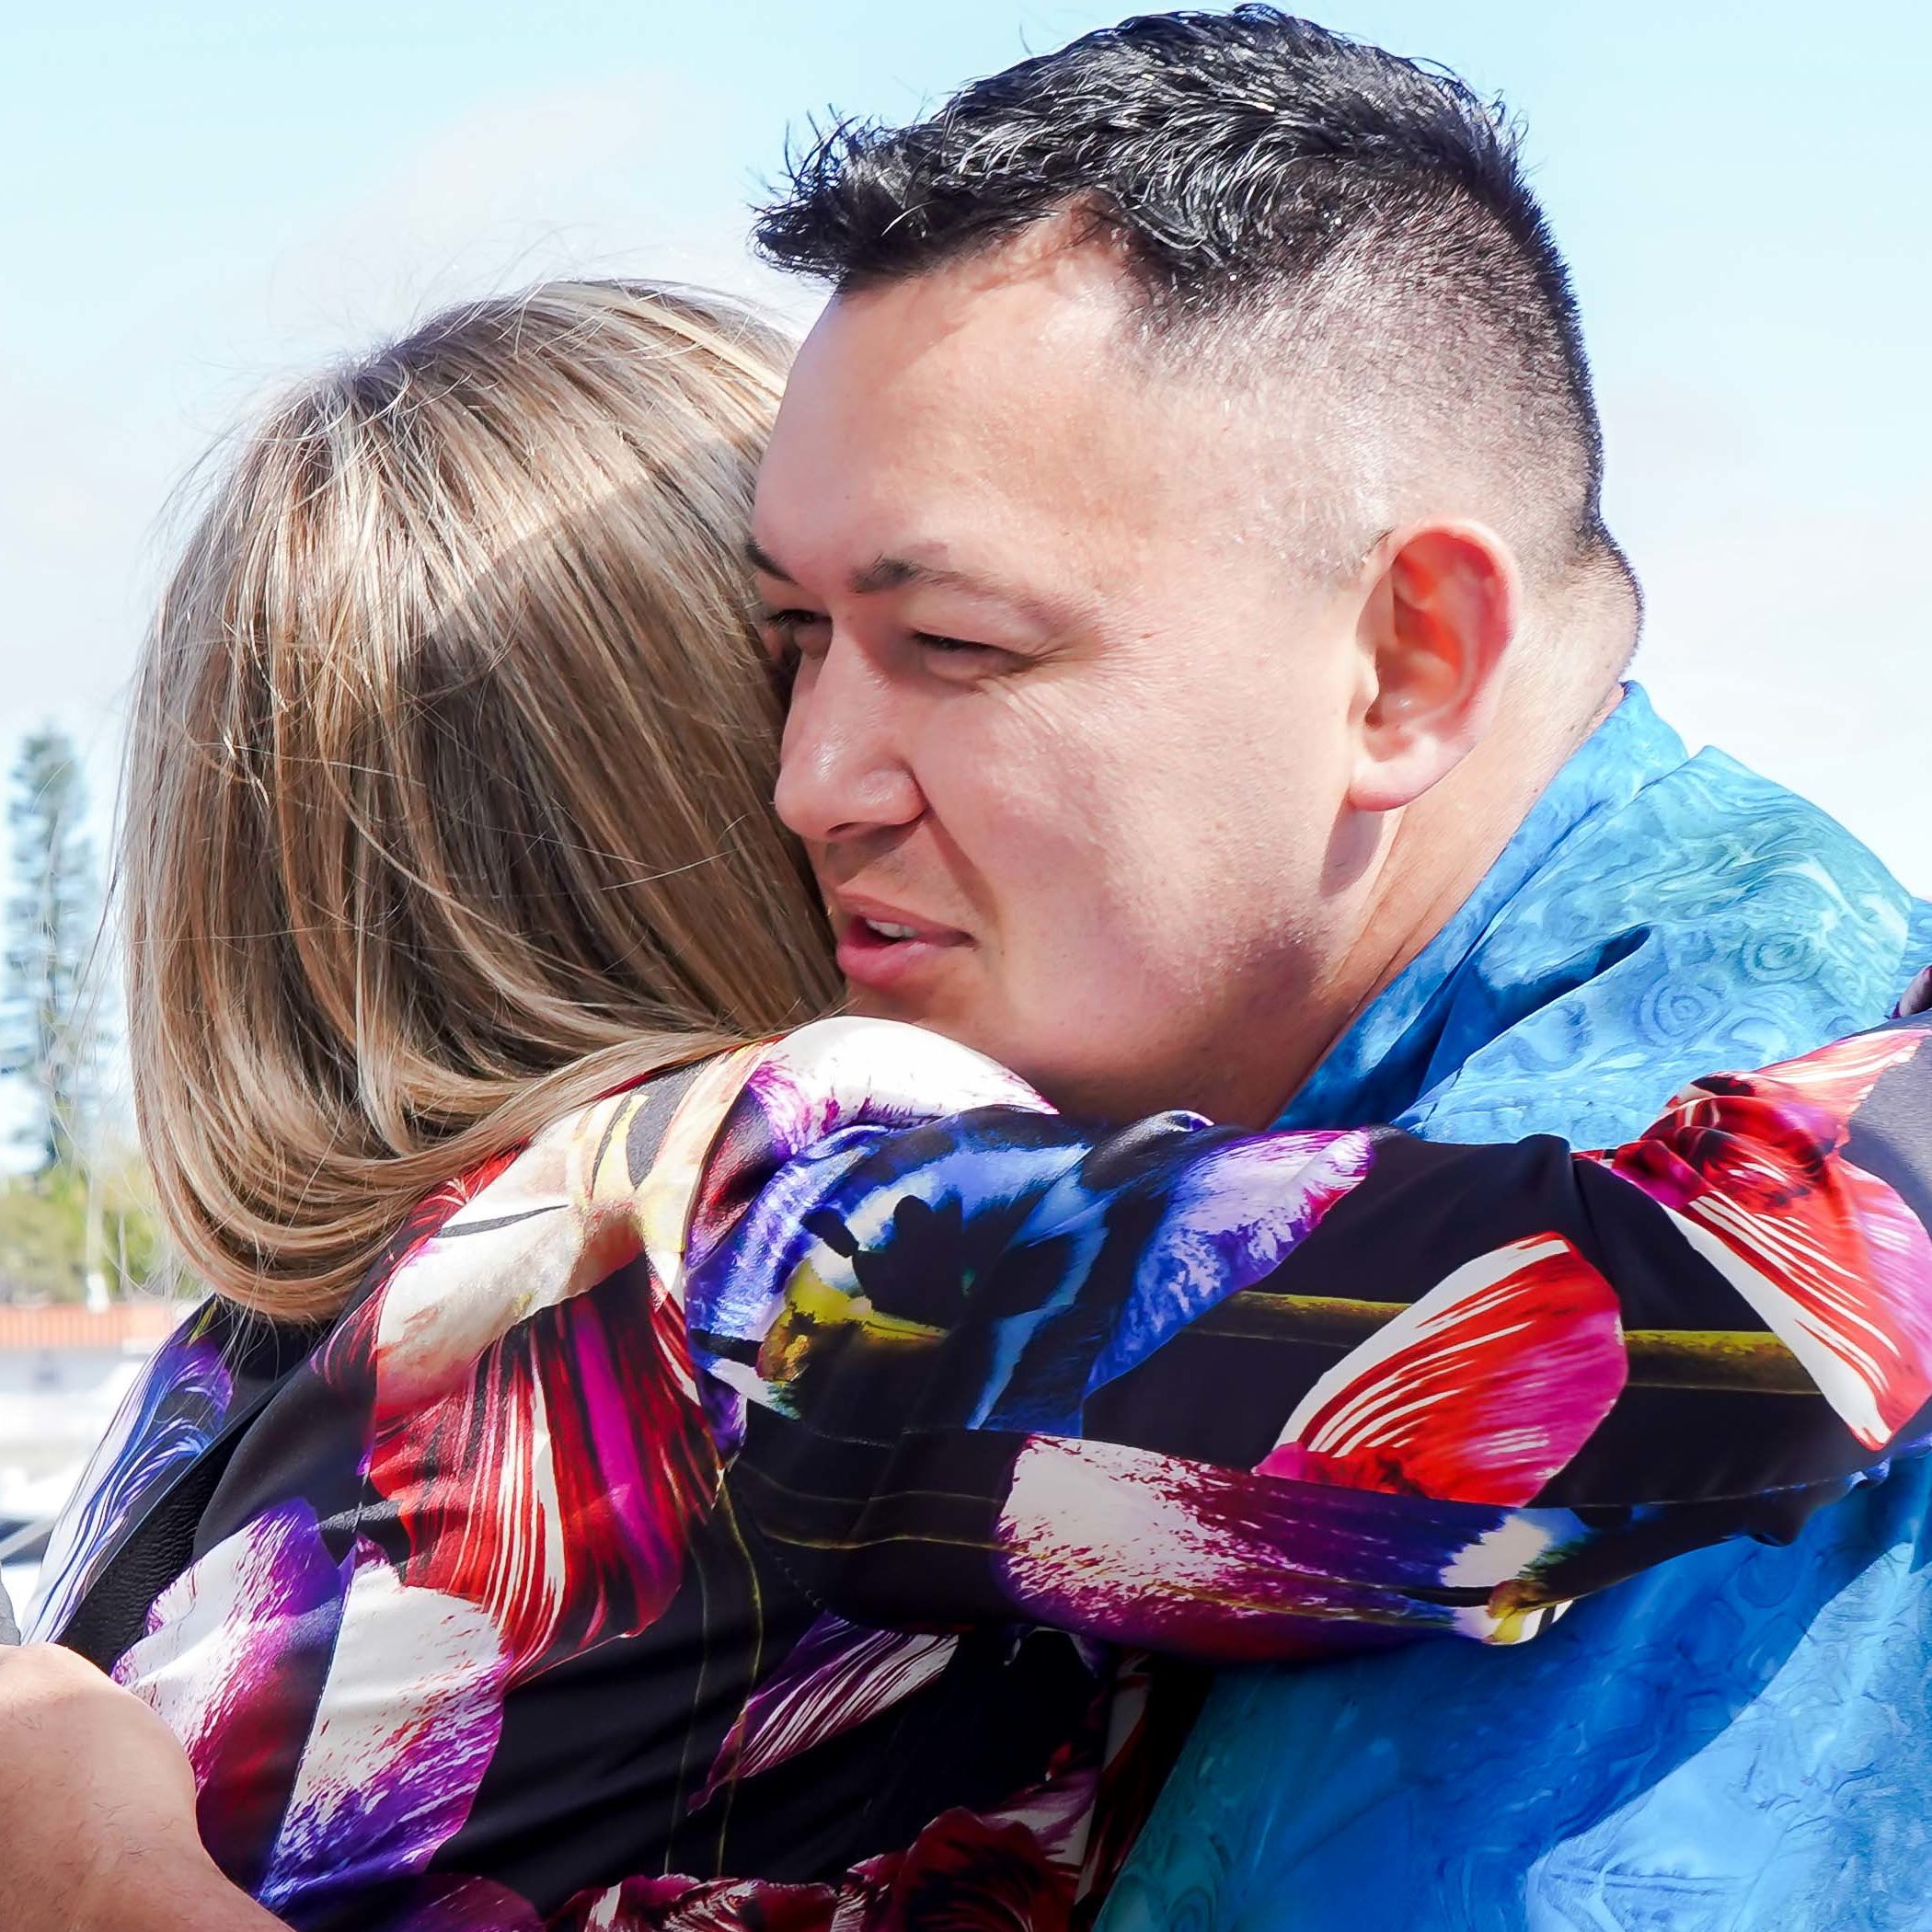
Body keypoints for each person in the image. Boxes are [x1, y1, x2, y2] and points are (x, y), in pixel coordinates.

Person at [5, 271, 1930, 1932]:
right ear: (703, 754)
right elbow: (1727, 1326)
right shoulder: (753, 1229)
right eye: (804, 646)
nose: (845, 757)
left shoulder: (226, 1386)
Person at [743, 9, 1932, 1926]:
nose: (815, 781)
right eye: (790, 641)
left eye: (954, 644)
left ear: (1406, 663)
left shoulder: (1723, 1170)